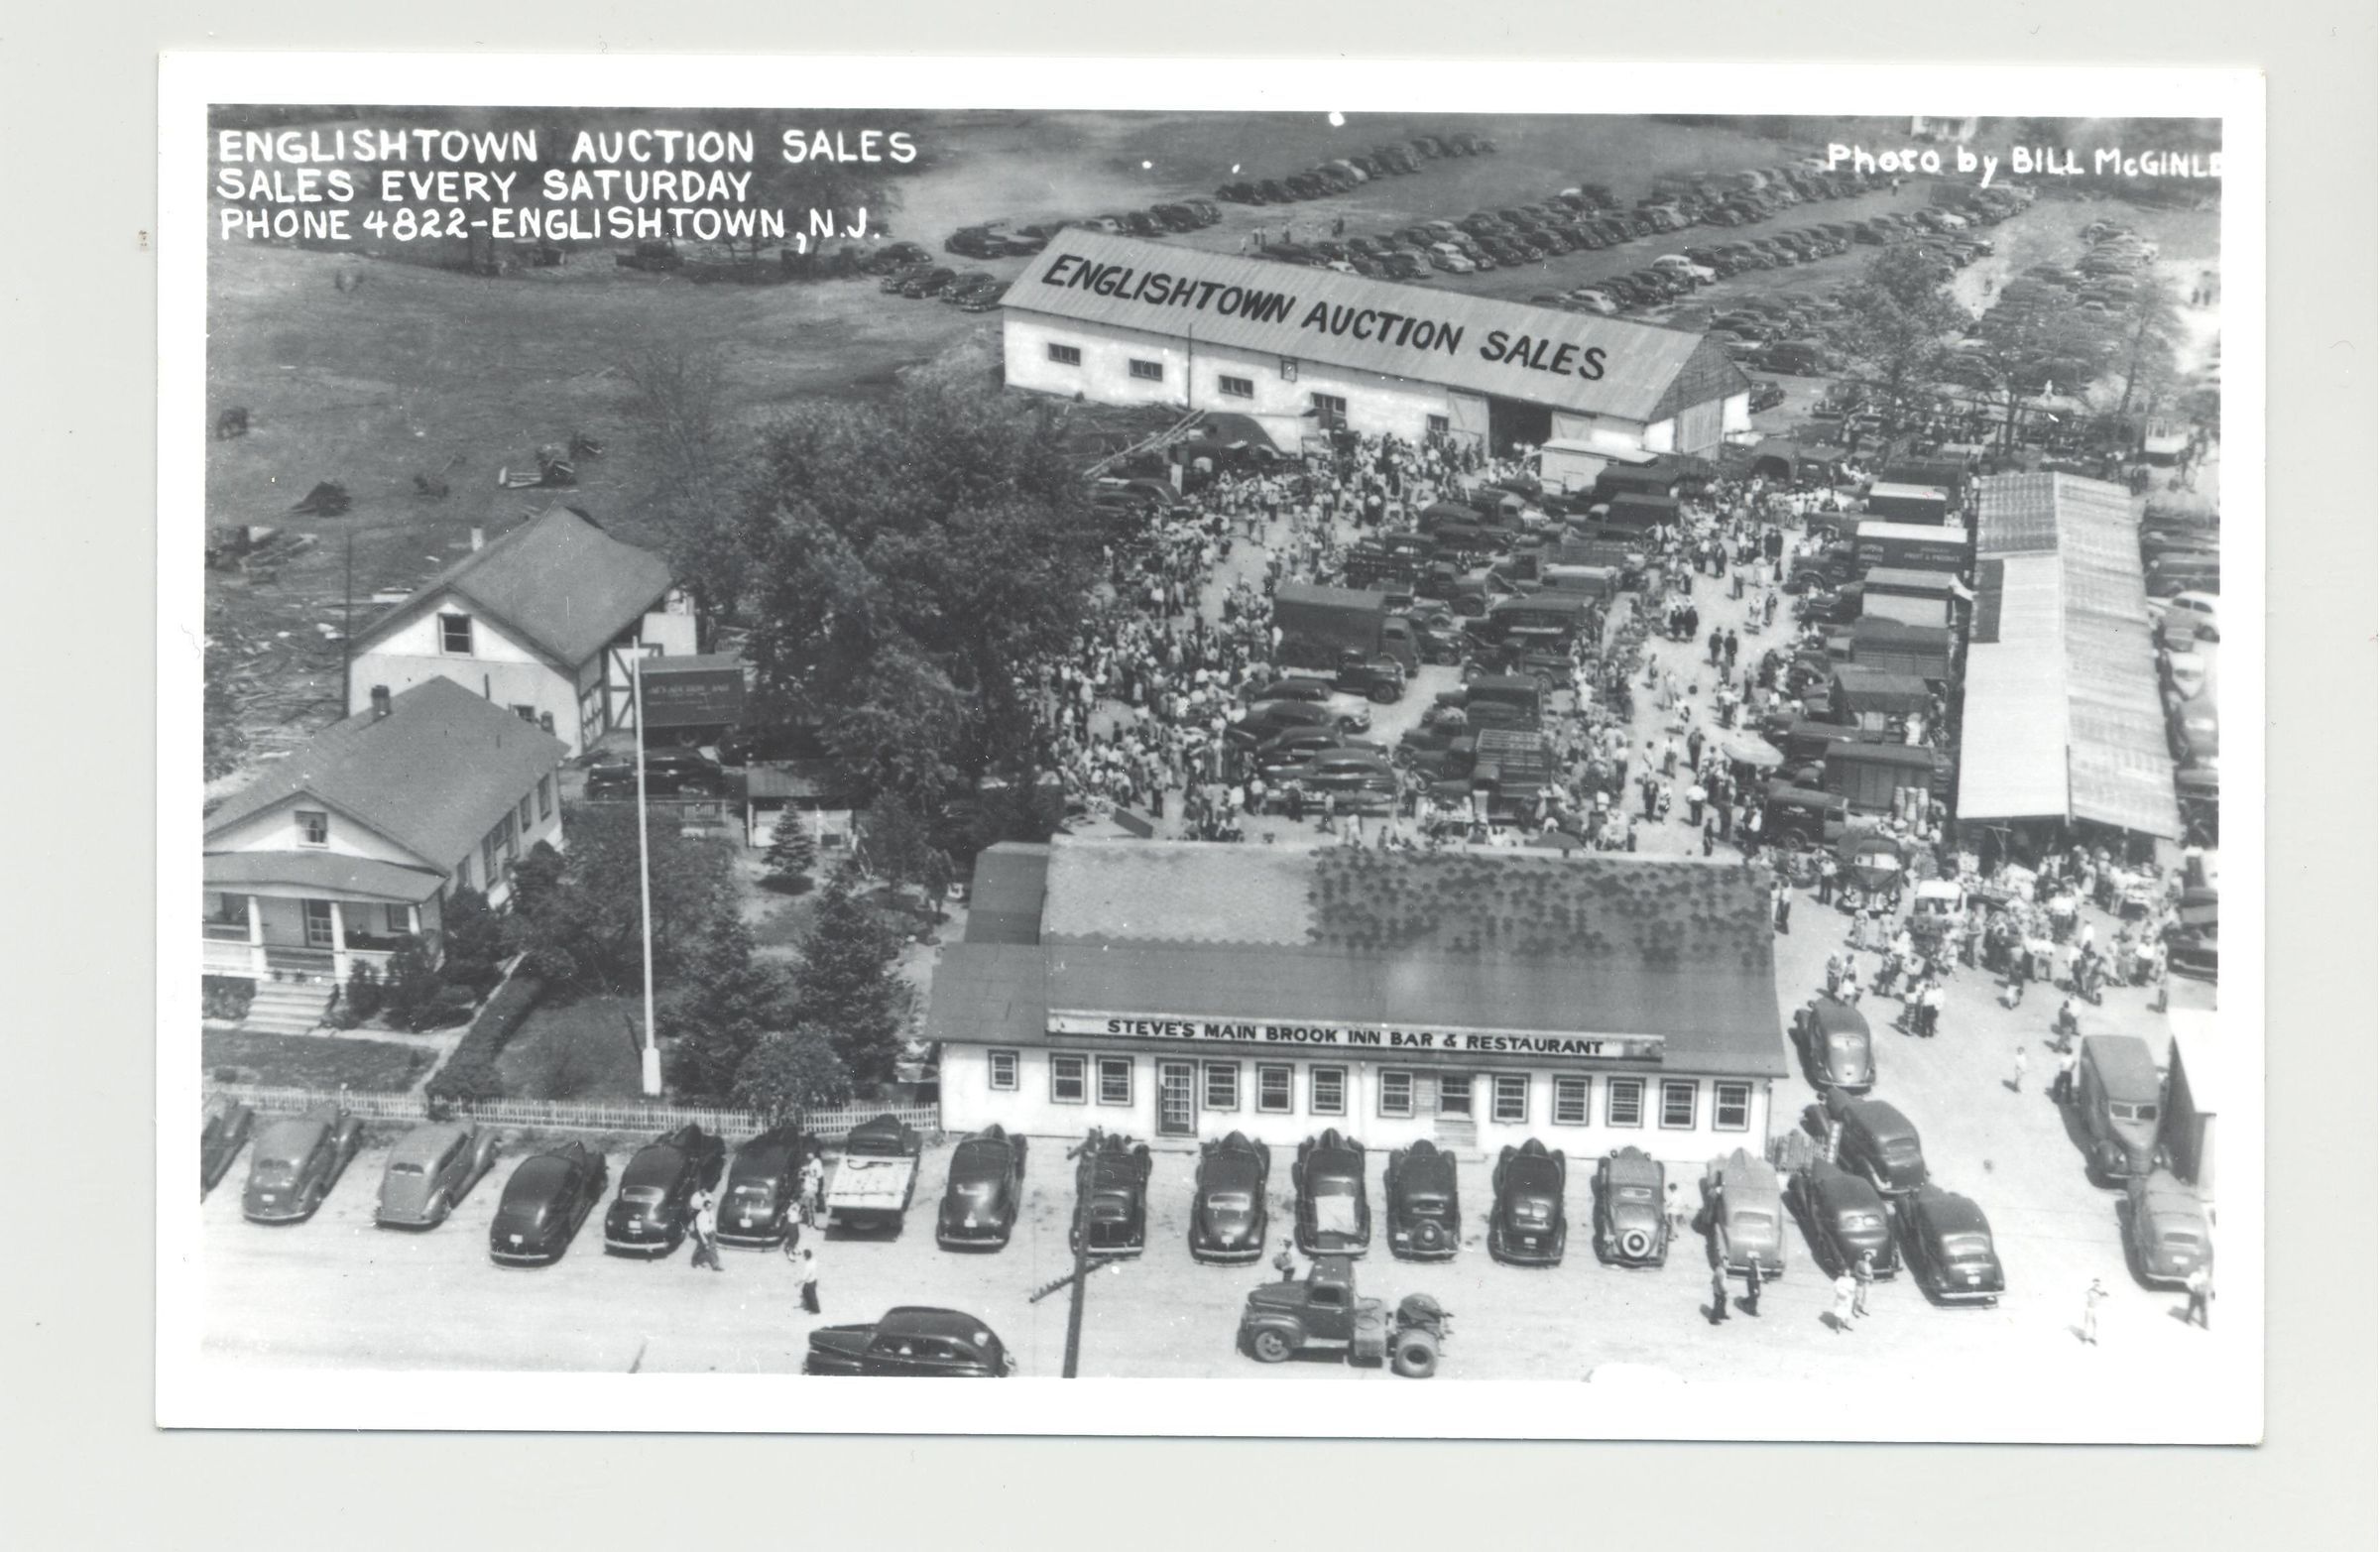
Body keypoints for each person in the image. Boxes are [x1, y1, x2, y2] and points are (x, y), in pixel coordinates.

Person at [689, 1192, 722, 1270]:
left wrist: (715, 1230)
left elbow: (713, 1222)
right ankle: (694, 1261)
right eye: (708, 1207)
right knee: (700, 1248)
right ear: (704, 1207)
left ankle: (715, 1266)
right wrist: (703, 1238)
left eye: (711, 1207)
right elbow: (699, 1228)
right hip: (704, 1234)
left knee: (713, 1248)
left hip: (711, 1233)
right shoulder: (700, 1215)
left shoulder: (711, 1212)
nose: (710, 1208)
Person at [2184, 1262, 2212, 1330]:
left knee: (2203, 1309)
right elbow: (2188, 1283)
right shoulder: (2194, 1275)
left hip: (2202, 1295)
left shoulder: (2206, 1275)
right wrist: (2193, 1289)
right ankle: (2187, 1319)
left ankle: (2204, 1324)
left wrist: (2207, 1291)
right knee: (2191, 1307)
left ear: (2204, 1269)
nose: (2201, 1269)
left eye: (2203, 1268)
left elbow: (2208, 1285)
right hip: (2195, 1293)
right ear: (2198, 1268)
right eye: (2200, 1268)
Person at [796, 1245, 822, 1315]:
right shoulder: (813, 1260)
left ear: (805, 1257)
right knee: (804, 1291)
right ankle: (808, 1306)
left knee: (812, 1296)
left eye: (803, 1256)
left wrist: (797, 1283)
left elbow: (804, 1277)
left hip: (810, 1283)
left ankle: (816, 1310)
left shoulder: (808, 1266)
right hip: (813, 1281)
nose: (802, 1257)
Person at [1831, 1268, 1858, 1334]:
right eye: (1846, 1272)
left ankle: (1846, 1324)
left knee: (1848, 1312)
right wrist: (1840, 1291)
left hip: (1848, 1298)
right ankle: (1838, 1326)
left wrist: (1849, 1291)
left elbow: (1853, 1289)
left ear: (1850, 1273)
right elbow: (1835, 1287)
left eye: (1848, 1272)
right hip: (1840, 1298)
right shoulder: (1840, 1279)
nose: (1847, 1273)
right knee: (1839, 1312)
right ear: (1844, 1273)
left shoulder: (1852, 1280)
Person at [2081, 1276, 2105, 1345]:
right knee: (2087, 1322)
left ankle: (2094, 1338)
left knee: (2096, 1323)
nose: (2096, 1285)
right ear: (2093, 1283)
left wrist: (2101, 1294)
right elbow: (2084, 1295)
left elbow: (2105, 1295)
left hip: (2097, 1309)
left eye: (2098, 1283)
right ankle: (2085, 1337)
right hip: (2089, 1308)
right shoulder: (2089, 1291)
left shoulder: (2101, 1291)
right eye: (2095, 1283)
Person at [1852, 1252, 1875, 1316]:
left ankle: (1862, 1308)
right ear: (1864, 1256)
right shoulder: (1859, 1263)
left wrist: (1871, 1279)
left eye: (1869, 1256)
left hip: (1867, 1283)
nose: (1868, 1257)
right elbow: (1856, 1273)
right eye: (1867, 1256)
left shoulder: (1870, 1265)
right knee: (1858, 1296)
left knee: (1865, 1296)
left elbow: (1871, 1273)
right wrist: (1864, 1278)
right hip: (1860, 1282)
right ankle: (1854, 1310)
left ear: (1871, 1258)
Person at [1709, 1260, 1731, 1325]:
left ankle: (1722, 1314)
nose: (1728, 1265)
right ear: (1723, 1263)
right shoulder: (1721, 1271)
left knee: (1724, 1301)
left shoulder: (1718, 1268)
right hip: (1719, 1291)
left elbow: (1713, 1280)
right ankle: (1713, 1320)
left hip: (1717, 1290)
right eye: (1727, 1264)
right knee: (1717, 1304)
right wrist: (1725, 1291)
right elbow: (1721, 1284)